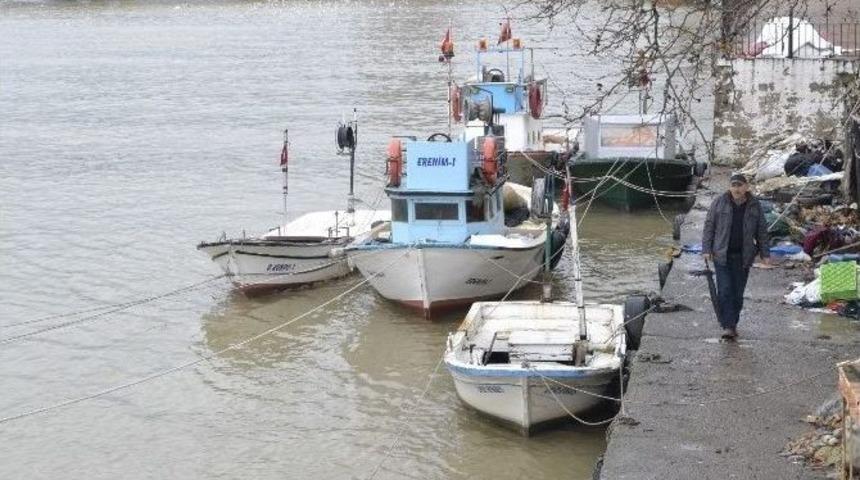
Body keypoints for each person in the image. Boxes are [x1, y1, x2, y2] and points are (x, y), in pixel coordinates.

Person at [702, 173, 770, 340]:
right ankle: (728, 326)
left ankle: (733, 322)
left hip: (743, 256)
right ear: (729, 187)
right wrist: (706, 248)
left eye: (740, 185)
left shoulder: (755, 205)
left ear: (746, 187)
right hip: (722, 255)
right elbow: (709, 226)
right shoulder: (719, 202)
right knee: (724, 290)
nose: (737, 189)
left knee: (737, 293)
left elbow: (761, 230)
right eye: (734, 185)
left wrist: (765, 253)